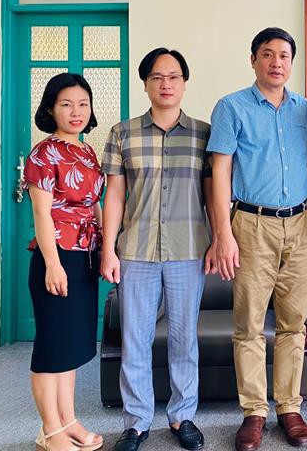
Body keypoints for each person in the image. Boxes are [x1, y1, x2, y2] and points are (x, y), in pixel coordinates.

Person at [206, 27, 307, 451]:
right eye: (267, 54)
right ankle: (254, 412)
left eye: (284, 55)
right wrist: (223, 233)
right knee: (249, 325)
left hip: (300, 223)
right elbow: (220, 171)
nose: (276, 62)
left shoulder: (304, 109)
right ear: (253, 60)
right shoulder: (232, 107)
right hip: (251, 224)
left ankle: (289, 407)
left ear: (291, 62)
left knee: (294, 322)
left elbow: (306, 159)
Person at [100, 48, 213, 451]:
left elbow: (213, 195)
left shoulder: (204, 134)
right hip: (136, 250)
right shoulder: (123, 133)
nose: (166, 84)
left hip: (188, 250)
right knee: (135, 339)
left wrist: (220, 239)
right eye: (157, 77)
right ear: (145, 83)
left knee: (184, 339)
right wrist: (108, 249)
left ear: (185, 82)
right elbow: (115, 195)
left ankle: (182, 416)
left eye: (174, 77)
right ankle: (136, 423)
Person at [24, 72, 105, 451]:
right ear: (51, 109)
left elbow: (94, 204)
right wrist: (53, 264)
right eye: (66, 104)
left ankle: (68, 420)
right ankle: (49, 430)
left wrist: (106, 247)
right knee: (52, 345)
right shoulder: (43, 153)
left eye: (83, 104)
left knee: (71, 345)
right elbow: (42, 213)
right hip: (56, 256)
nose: (76, 112)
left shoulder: (87, 152)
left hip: (85, 255)